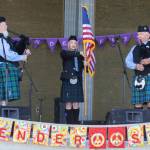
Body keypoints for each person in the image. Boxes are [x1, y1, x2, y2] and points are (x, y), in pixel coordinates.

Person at [0, 16, 31, 106]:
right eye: (5, 24)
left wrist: (23, 42)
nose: (7, 26)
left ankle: (2, 116)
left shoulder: (6, 39)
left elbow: (15, 50)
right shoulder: (0, 40)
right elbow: (8, 55)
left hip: (7, 68)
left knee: (3, 97)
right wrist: (22, 57)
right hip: (3, 67)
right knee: (2, 96)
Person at [60, 35, 85, 124]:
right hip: (68, 81)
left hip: (77, 81)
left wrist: (86, 64)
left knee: (76, 103)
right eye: (71, 43)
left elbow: (84, 69)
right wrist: (79, 53)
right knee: (68, 104)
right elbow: (68, 54)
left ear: (77, 45)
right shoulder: (64, 53)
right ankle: (69, 125)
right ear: (68, 44)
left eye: (75, 43)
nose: (73, 44)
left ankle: (75, 124)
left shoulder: (80, 57)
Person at [125, 25, 150, 109]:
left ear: (148, 35)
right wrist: (136, 66)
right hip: (138, 78)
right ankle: (138, 122)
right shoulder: (135, 48)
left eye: (141, 34)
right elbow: (127, 61)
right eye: (138, 34)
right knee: (138, 102)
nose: (139, 36)